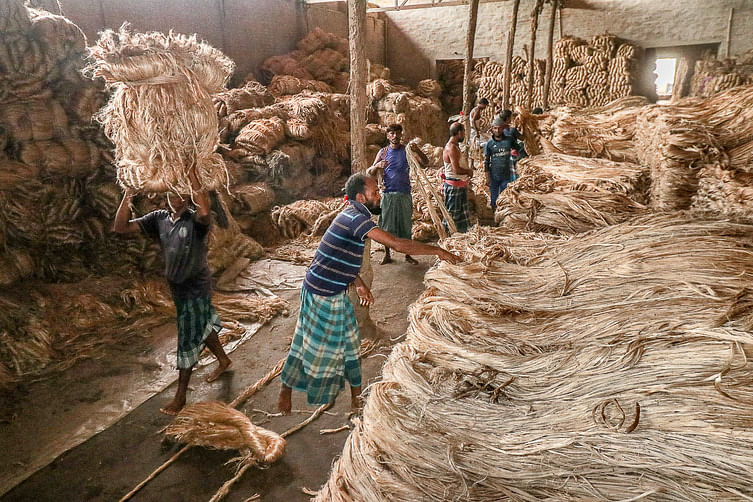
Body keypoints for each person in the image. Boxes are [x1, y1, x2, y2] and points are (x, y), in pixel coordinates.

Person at [278, 173, 461, 414]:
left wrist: (359, 281)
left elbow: (339, 255)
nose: (379, 196)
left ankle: (356, 398)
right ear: (359, 197)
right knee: (309, 346)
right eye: (375, 193)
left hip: (336, 288)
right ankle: (285, 391)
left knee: (351, 344)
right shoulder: (356, 219)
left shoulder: (353, 215)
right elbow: (397, 244)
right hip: (321, 292)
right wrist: (437, 250)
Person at [112, 170, 232, 416]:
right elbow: (120, 228)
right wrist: (128, 195)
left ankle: (180, 397)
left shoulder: (196, 222)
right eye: (170, 194)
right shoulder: (159, 219)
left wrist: (192, 174)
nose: (174, 198)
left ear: (188, 197)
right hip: (177, 287)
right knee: (202, 325)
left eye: (180, 194)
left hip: (196, 287)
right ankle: (224, 360)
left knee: (188, 337)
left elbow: (206, 212)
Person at [366, 123, 429, 266]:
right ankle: (387, 254)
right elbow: (369, 172)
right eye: (391, 133)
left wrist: (417, 150)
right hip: (388, 194)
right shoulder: (382, 152)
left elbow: (425, 163)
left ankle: (408, 254)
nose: (395, 136)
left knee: (405, 225)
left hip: (404, 193)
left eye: (397, 133)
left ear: (401, 134)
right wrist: (377, 166)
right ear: (388, 136)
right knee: (386, 227)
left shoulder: (407, 150)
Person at [484, 111, 524, 209]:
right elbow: (486, 162)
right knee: (494, 199)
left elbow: (519, 150)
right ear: (492, 129)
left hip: (507, 175)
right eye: (495, 128)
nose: (497, 130)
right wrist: (487, 177)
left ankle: (502, 217)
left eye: (499, 128)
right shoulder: (489, 144)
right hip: (494, 175)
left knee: (504, 198)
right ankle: (494, 217)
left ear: (503, 128)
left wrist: (516, 156)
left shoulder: (509, 140)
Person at [442, 122, 474, 233]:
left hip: (459, 185)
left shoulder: (455, 146)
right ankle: (446, 237)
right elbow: (456, 170)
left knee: (462, 215)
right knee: (452, 215)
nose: (464, 134)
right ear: (459, 132)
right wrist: (468, 172)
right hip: (454, 186)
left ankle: (460, 237)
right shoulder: (452, 148)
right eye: (464, 131)